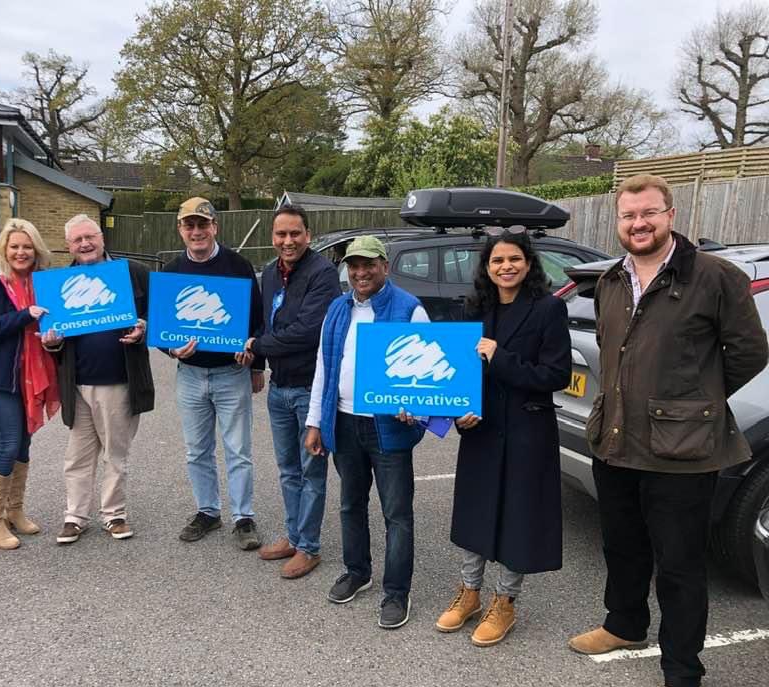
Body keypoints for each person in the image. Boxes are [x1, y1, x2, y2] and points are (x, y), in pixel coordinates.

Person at [568, 174, 768, 687]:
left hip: (683, 451)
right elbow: (614, 354)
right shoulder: (610, 280)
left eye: (649, 213)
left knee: (679, 565)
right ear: (618, 221)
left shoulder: (714, 277)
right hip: (615, 442)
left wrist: (693, 400)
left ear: (671, 214)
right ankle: (624, 625)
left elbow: (750, 352)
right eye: (629, 216)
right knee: (622, 547)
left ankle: (683, 674)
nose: (639, 224)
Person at [437, 229, 571, 646]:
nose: (506, 267)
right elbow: (459, 372)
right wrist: (458, 415)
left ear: (528, 264)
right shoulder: (476, 308)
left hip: (527, 429)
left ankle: (505, 601)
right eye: (497, 261)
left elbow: (556, 375)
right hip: (482, 427)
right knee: (475, 510)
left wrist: (501, 357)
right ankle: (470, 592)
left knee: (517, 516)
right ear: (487, 268)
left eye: (514, 259)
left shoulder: (548, 310)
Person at [304, 235, 427, 629]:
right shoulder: (337, 309)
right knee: (350, 505)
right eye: (353, 265)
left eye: (368, 264)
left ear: (384, 267)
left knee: (397, 514)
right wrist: (315, 422)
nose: (360, 272)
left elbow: (423, 374)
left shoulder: (410, 309)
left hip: (387, 425)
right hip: (343, 420)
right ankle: (357, 571)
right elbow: (324, 368)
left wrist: (419, 410)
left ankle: (396, 593)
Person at [42, 214, 154, 544]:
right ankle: (75, 516)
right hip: (77, 383)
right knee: (77, 456)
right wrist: (53, 341)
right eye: (77, 240)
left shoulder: (132, 273)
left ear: (102, 238)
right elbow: (56, 337)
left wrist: (143, 327)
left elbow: (158, 315)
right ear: (68, 246)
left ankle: (114, 514)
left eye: (90, 237)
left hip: (119, 380)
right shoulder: (60, 283)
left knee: (115, 455)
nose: (85, 244)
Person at [242, 205, 340, 579]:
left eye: (295, 234)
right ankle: (294, 535)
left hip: (309, 390)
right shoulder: (269, 273)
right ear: (273, 237)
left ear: (308, 235)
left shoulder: (323, 273)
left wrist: (258, 344)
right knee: (287, 470)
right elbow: (265, 322)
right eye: (281, 234)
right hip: (280, 388)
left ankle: (309, 548)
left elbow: (307, 331)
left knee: (312, 471)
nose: (287, 241)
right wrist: (255, 356)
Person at [164, 197, 265, 550]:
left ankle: (243, 517)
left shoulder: (238, 266)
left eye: (202, 225)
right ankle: (208, 511)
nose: (196, 232)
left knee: (238, 449)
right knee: (197, 450)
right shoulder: (172, 270)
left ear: (214, 227)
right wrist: (171, 349)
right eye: (189, 225)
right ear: (180, 229)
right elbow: (164, 328)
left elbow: (256, 319)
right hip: (190, 374)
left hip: (230, 373)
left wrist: (257, 363)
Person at [0, 218, 60, 550]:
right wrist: (24, 315)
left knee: (23, 445)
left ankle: (14, 511)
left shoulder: (42, 282)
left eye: (27, 246)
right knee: (7, 445)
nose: (21, 252)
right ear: (4, 249)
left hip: (30, 375)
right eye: (15, 246)